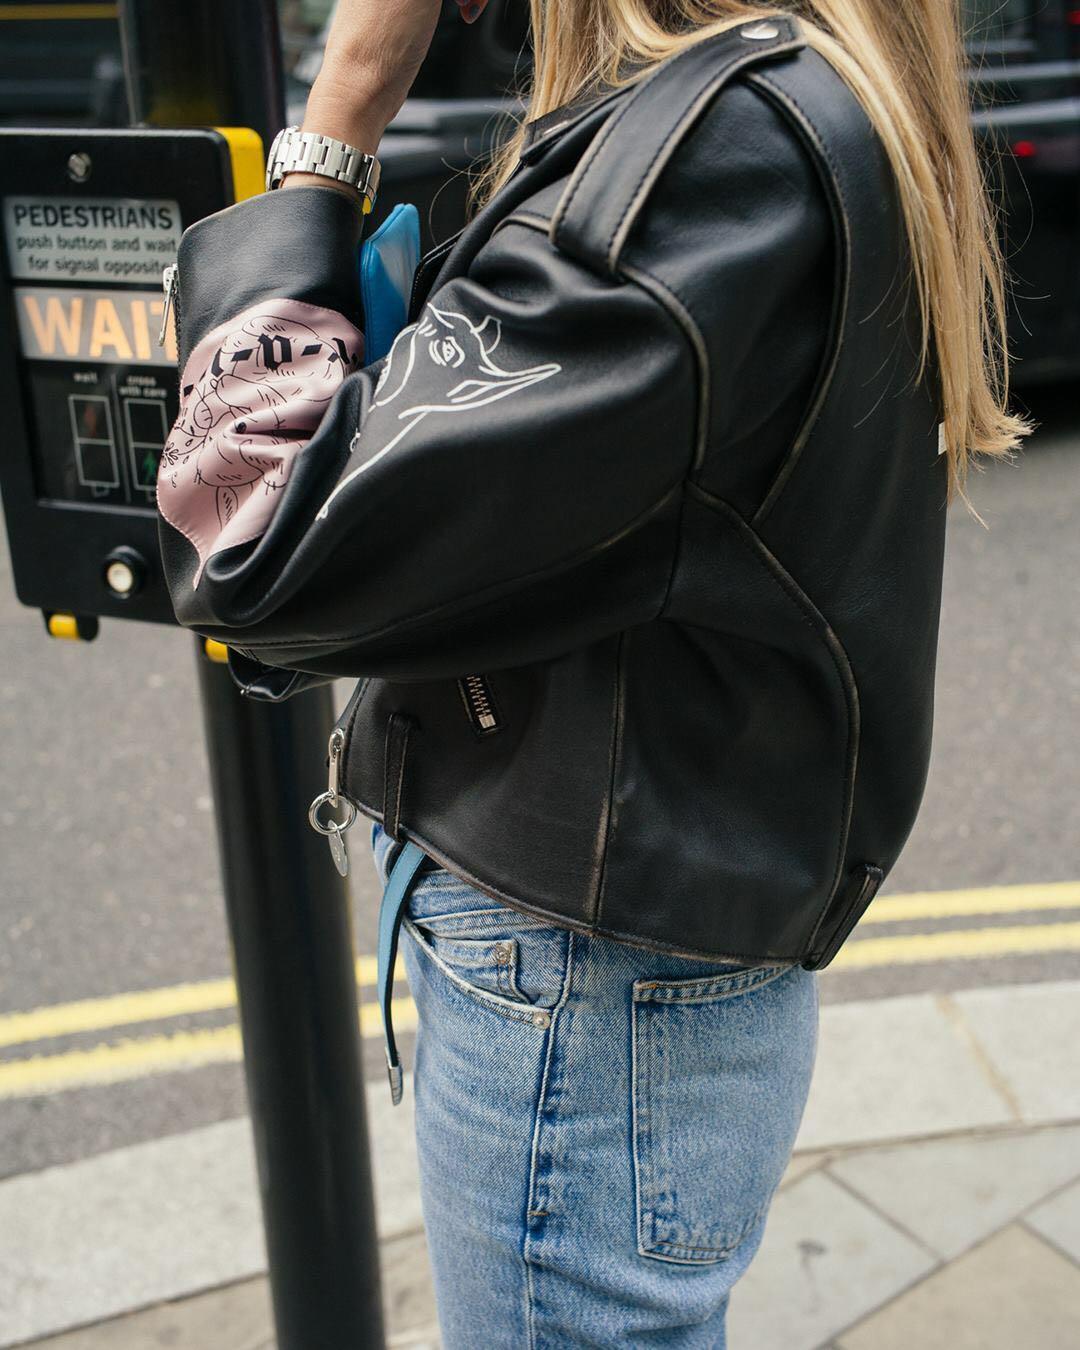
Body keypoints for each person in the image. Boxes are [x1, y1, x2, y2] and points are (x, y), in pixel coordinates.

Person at [156, 1, 1028, 1343]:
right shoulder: (775, 111)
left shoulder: (706, 163)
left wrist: (335, 123)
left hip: (583, 980)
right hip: (629, 963)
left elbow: (258, 538)